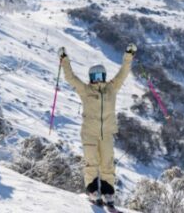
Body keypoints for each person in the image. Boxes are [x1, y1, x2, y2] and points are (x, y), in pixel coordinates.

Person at [57, 43, 137, 207]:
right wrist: (64, 59)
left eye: (101, 76)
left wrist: (129, 55)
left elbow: (123, 73)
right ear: (91, 78)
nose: (98, 79)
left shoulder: (111, 88)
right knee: (91, 162)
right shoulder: (86, 90)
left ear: (105, 76)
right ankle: (93, 191)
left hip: (106, 133)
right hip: (89, 133)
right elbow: (71, 78)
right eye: (95, 77)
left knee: (107, 163)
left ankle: (108, 193)